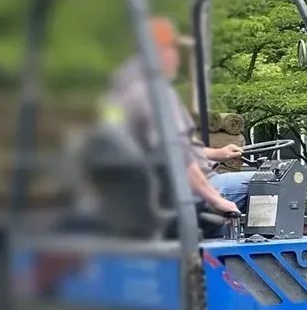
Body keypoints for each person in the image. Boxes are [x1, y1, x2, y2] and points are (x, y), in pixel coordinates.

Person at [102, 16, 255, 217]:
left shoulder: (122, 90)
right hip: (185, 192)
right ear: (156, 51)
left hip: (156, 191)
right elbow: (178, 156)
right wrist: (216, 199)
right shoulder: (154, 94)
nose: (177, 57)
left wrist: (220, 153)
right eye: (172, 49)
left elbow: (169, 147)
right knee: (272, 180)